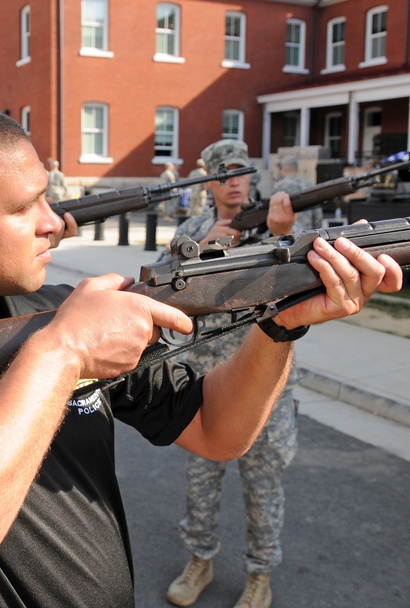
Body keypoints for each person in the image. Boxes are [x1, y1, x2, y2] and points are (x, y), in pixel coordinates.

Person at [0, 105, 401, 607]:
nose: (55, 223)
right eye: (25, 208)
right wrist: (60, 354)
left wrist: (279, 327)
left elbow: (218, 430)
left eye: (48, 198)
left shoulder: (58, 309)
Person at [165, 139, 317, 608]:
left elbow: (301, 285)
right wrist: (204, 249)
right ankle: (200, 561)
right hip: (205, 385)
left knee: (263, 486)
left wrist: (280, 236)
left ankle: (259, 575)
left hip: (263, 384)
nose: (236, 181)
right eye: (226, 173)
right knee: (201, 483)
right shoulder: (191, 230)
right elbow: (168, 289)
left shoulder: (279, 223)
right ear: (209, 179)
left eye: (243, 171)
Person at [275, 154, 324, 231]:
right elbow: (318, 215)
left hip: (288, 235)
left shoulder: (279, 187)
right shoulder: (310, 185)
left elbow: (275, 214)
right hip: (308, 233)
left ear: (284, 169)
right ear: (297, 169)